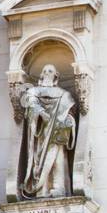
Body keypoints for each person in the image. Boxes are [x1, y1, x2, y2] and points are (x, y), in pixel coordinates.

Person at [21, 64, 77, 198]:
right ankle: (42, 189)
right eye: (44, 71)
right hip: (41, 133)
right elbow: (30, 102)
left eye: (50, 71)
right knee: (39, 161)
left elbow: (70, 110)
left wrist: (68, 120)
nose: (47, 73)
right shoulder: (35, 91)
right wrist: (41, 113)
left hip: (57, 131)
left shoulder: (63, 94)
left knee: (58, 160)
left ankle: (59, 187)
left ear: (55, 76)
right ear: (41, 75)